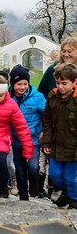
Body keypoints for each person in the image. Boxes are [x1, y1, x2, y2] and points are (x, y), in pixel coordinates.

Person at [42, 63, 77, 209]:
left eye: (64, 83)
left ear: (75, 82)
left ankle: (73, 200)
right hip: (56, 144)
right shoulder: (52, 97)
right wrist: (46, 142)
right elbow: (47, 121)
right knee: (55, 174)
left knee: (70, 177)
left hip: (73, 146)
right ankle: (66, 193)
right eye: (58, 83)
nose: (60, 86)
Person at [9, 64, 46, 200]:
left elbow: (48, 115)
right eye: (19, 84)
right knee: (19, 169)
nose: (22, 87)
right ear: (13, 84)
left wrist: (45, 131)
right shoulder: (7, 97)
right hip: (16, 140)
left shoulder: (37, 97)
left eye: (25, 83)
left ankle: (34, 183)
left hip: (33, 139)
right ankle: (23, 195)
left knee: (33, 167)